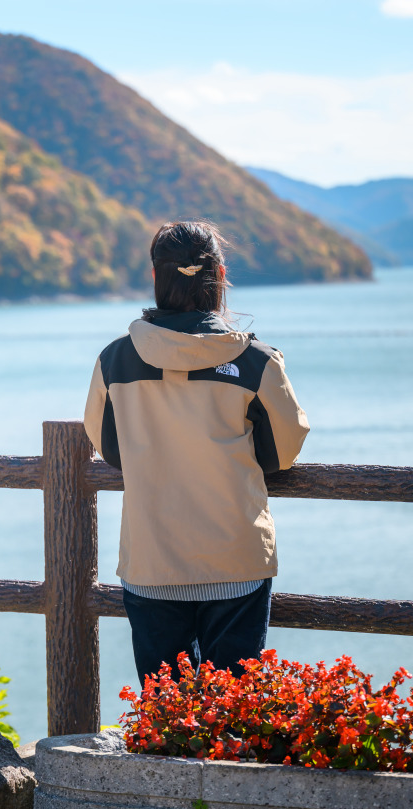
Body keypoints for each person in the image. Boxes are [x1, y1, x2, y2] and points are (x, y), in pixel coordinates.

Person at [83, 221, 310, 685]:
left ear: (155, 277)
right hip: (235, 557)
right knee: (233, 719)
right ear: (220, 275)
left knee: (164, 719)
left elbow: (108, 447)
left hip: (153, 559)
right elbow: (284, 452)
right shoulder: (256, 362)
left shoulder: (115, 361)